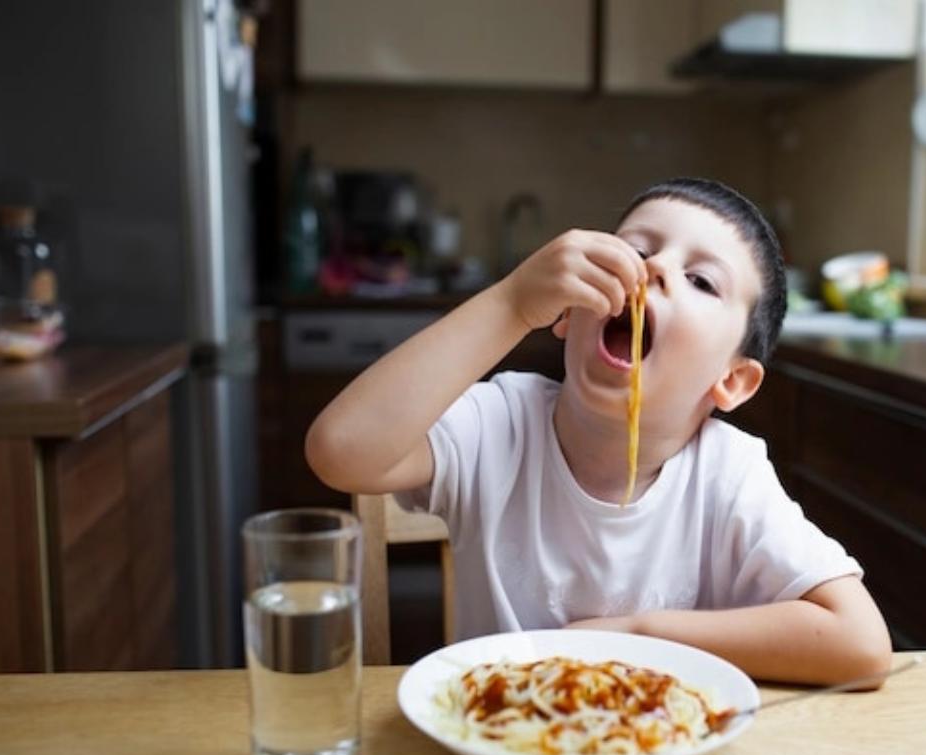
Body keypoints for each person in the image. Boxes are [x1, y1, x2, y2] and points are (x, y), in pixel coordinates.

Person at [306, 177, 892, 685]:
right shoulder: (500, 423)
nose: (655, 268)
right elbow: (340, 451)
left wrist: (636, 633)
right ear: (566, 311)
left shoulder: (728, 473)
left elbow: (861, 645)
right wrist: (512, 302)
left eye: (702, 281)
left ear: (733, 381)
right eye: (634, 251)